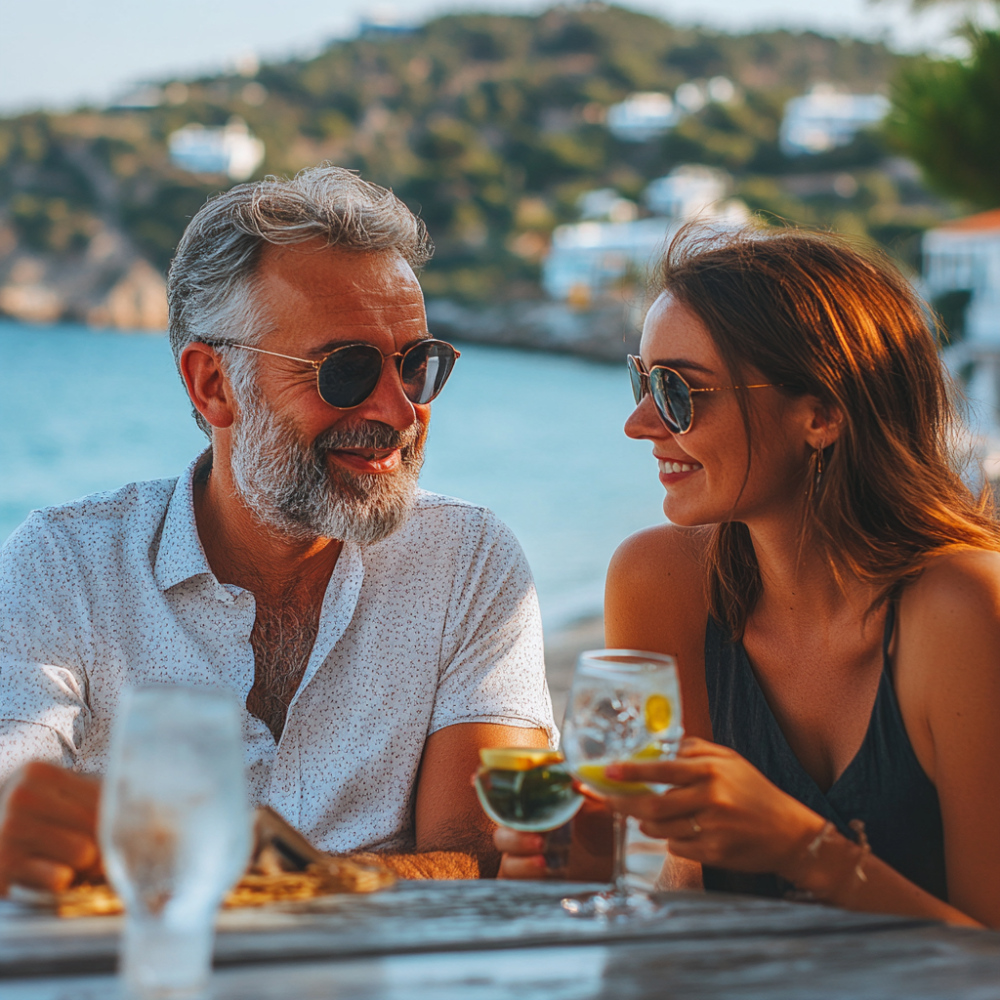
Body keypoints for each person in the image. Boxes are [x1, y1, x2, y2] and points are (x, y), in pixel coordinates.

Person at [0, 165, 556, 894]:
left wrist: (254, 874)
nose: (398, 411)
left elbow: (484, 861)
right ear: (213, 384)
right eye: (346, 370)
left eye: (416, 365)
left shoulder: (468, 562)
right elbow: (17, 809)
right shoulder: (67, 566)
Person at [497, 226, 1000, 929]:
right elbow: (686, 886)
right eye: (642, 381)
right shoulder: (662, 580)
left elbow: (988, 956)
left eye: (678, 391)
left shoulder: (964, 608)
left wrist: (803, 847)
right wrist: (586, 857)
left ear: (820, 413)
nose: (639, 424)